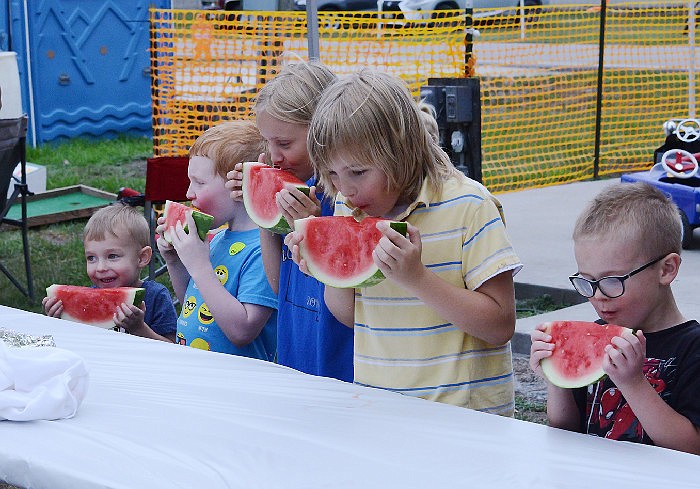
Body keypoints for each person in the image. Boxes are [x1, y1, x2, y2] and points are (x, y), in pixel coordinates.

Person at [287, 69, 522, 413]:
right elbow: (353, 317)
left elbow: (500, 326)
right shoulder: (346, 205)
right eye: (333, 174)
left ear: (400, 150)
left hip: (464, 420)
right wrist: (328, 270)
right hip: (381, 410)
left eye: (358, 172)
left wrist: (417, 278)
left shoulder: (470, 206)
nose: (345, 189)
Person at [529, 182, 700, 454]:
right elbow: (565, 427)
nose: (598, 295)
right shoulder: (597, 333)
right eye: (586, 281)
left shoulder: (692, 349)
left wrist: (633, 384)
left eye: (612, 281)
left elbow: (692, 448)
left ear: (666, 270)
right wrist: (556, 378)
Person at [225, 61, 354, 381]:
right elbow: (279, 285)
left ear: (325, 133)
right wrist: (262, 214)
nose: (273, 156)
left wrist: (316, 231)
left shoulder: (346, 200)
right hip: (297, 359)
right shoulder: (294, 193)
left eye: (284, 143)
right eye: (267, 142)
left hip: (339, 367)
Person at [156, 120, 278, 360]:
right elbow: (196, 304)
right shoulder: (217, 238)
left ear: (238, 185)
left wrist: (199, 266)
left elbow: (242, 330)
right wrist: (174, 261)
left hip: (235, 384)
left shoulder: (263, 249)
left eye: (200, 183)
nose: (189, 193)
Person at [42, 203, 178, 342]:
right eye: (91, 258)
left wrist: (139, 328)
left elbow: (173, 347)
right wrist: (61, 320)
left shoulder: (156, 296)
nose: (100, 267)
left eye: (112, 256)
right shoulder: (92, 296)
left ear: (142, 257)